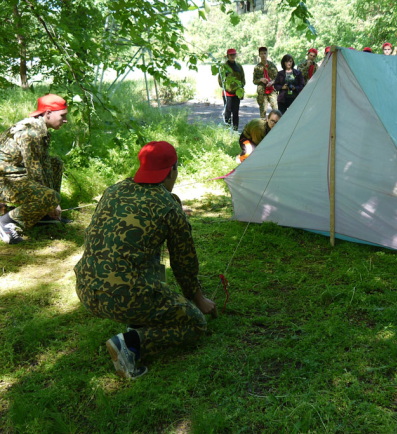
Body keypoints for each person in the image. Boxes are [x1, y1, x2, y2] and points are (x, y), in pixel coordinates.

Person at [74, 141, 218, 379]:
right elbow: (184, 263)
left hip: (86, 288)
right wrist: (198, 299)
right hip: (122, 297)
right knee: (194, 323)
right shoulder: (169, 207)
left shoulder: (114, 190)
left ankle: (140, 319)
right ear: (172, 171)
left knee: (144, 260)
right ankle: (129, 344)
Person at [0, 94, 68, 244]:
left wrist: (52, 201)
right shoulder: (31, 133)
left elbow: (46, 165)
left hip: (13, 172)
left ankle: (43, 214)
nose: (65, 120)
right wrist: (52, 201)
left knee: (56, 163)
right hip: (4, 180)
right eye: (62, 116)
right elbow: (35, 173)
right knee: (50, 197)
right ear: (48, 113)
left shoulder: (39, 128)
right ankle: (5, 222)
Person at [218, 48, 246, 131]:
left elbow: (243, 78)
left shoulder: (239, 66)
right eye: (230, 55)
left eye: (234, 54)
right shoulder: (224, 67)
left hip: (237, 93)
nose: (232, 56)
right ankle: (228, 129)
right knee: (228, 112)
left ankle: (235, 130)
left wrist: (240, 87)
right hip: (227, 94)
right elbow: (220, 80)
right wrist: (227, 87)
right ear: (227, 56)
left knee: (236, 112)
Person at [252, 46, 278, 119]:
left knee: (276, 109)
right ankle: (263, 125)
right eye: (262, 53)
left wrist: (272, 82)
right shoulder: (257, 67)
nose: (263, 55)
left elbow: (277, 77)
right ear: (259, 55)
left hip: (272, 90)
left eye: (265, 53)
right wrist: (261, 80)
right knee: (263, 112)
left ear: (267, 54)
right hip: (262, 92)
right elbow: (254, 81)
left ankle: (276, 123)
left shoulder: (272, 65)